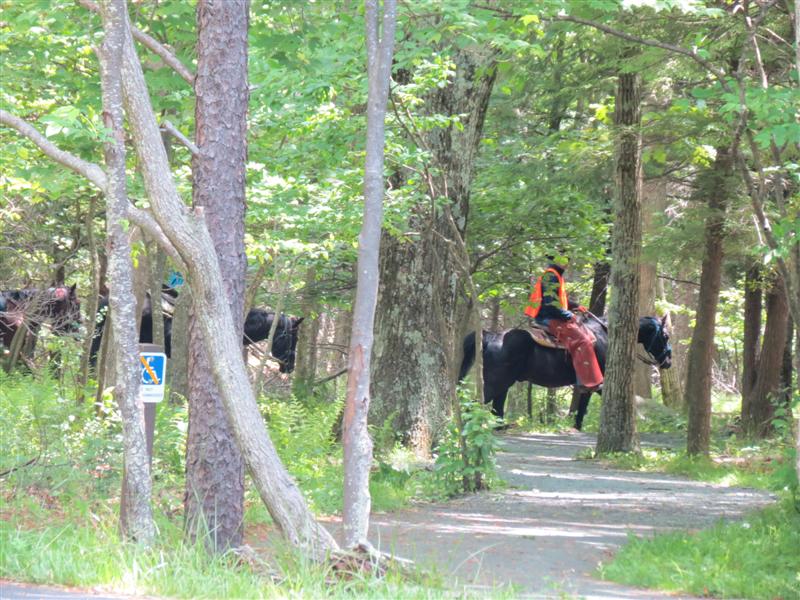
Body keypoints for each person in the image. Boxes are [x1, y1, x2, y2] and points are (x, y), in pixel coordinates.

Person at [524, 255, 603, 391]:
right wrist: (569, 315)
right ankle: (585, 382)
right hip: (548, 318)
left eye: (567, 259)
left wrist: (576, 306)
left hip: (553, 315)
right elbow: (550, 305)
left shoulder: (555, 275)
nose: (566, 262)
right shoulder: (551, 276)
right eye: (562, 259)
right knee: (583, 340)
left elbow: (559, 301)